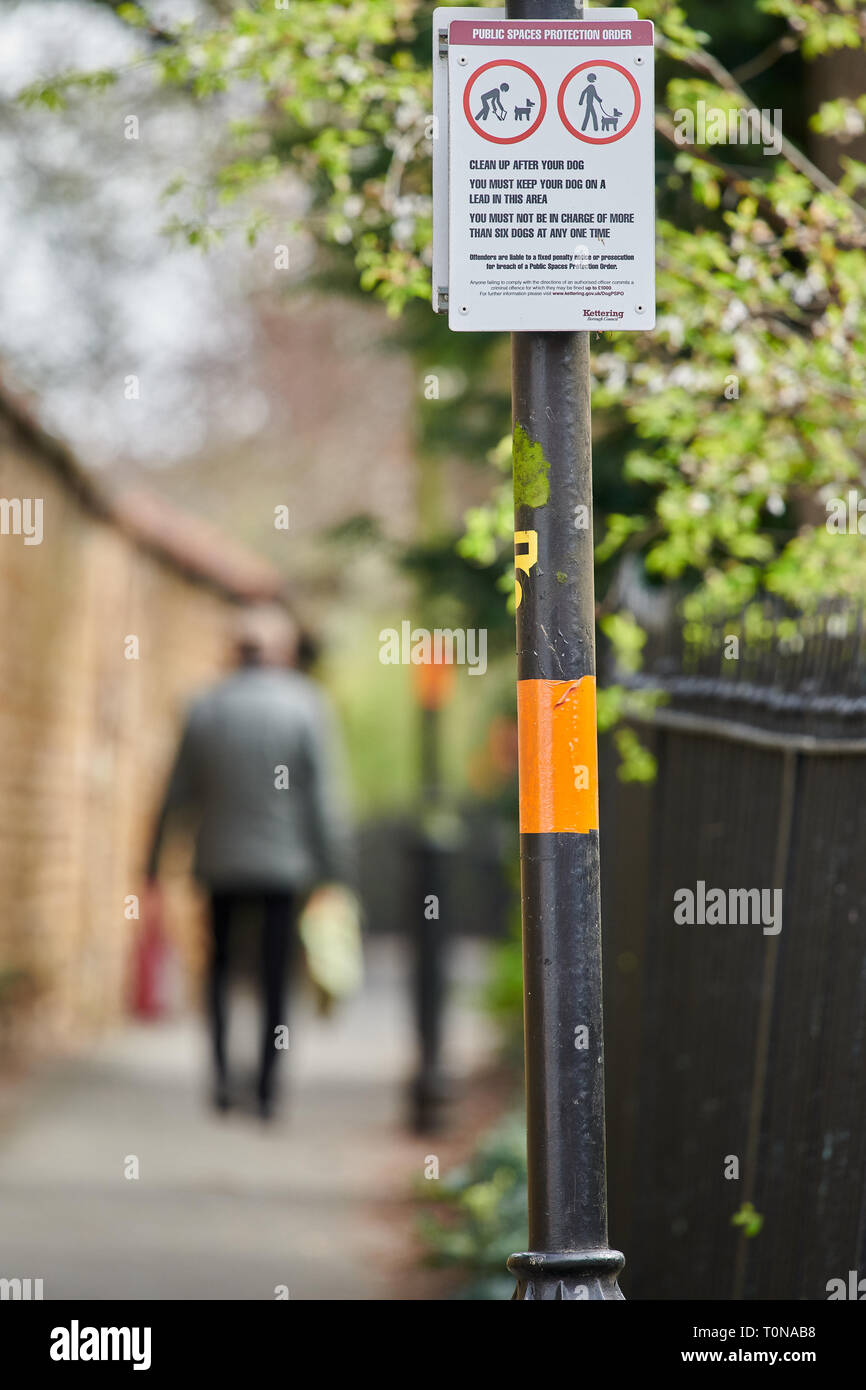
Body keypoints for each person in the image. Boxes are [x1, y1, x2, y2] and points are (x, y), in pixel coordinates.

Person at [146, 604, 355, 1119]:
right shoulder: (307, 706)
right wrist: (336, 873)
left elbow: (175, 793)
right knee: (277, 973)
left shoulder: (204, 706)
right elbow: (325, 801)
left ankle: (221, 1079)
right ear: (282, 652)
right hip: (285, 869)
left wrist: (150, 864)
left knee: (217, 968)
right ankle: (266, 1087)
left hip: (219, 863)